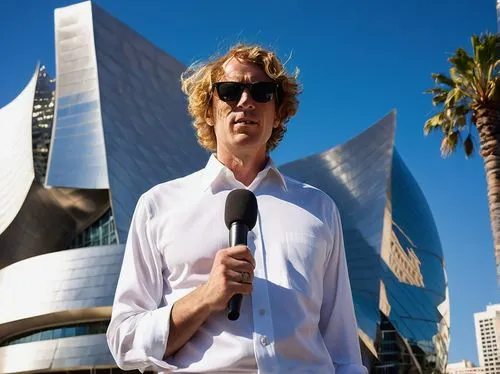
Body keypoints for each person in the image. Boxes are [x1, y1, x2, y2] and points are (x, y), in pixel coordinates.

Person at [106, 43, 367, 373]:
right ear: (208, 111)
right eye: (230, 91)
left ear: (278, 113)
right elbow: (124, 340)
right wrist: (206, 295)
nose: (246, 102)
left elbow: (343, 348)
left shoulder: (319, 209)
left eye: (262, 92)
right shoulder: (158, 205)